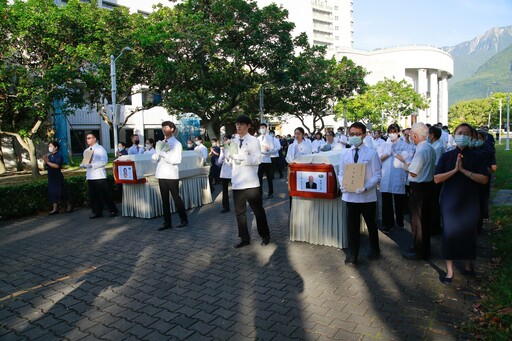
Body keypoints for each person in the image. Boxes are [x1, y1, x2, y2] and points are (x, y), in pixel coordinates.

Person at [434, 123, 489, 284]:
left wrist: (464, 170)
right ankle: (449, 271)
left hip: (470, 201)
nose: (462, 135)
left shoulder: (478, 157)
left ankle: (468, 264)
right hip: (450, 201)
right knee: (449, 233)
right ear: (454, 135)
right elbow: (437, 178)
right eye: (459, 132)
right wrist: (455, 170)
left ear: (471, 137)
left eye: (466, 133)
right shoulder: (447, 156)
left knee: (468, 232)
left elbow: (484, 179)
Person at [338, 122, 382, 265]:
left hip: (367, 197)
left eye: (357, 134)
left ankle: (375, 250)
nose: (354, 137)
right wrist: (342, 185)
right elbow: (341, 173)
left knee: (371, 224)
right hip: (350, 197)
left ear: (364, 135)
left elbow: (377, 175)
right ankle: (353, 255)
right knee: (352, 227)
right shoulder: (345, 153)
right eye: (352, 134)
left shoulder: (372, 153)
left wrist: (366, 187)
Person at [396, 123, 436, 260]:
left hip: (419, 189)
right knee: (424, 219)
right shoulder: (429, 147)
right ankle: (424, 248)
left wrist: (404, 162)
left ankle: (419, 250)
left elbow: (413, 172)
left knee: (417, 221)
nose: (410, 138)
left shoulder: (421, 149)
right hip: (428, 186)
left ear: (415, 135)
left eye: (411, 135)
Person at [230, 115, 270, 248]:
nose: (238, 126)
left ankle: (265, 235)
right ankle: (244, 238)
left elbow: (257, 160)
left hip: (250, 182)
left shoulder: (253, 141)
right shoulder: (233, 140)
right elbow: (231, 160)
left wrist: (241, 157)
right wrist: (228, 157)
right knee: (239, 212)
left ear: (248, 126)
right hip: (237, 182)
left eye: (241, 124)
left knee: (258, 210)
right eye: (237, 124)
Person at [154, 121, 188, 231]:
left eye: (166, 127)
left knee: (176, 198)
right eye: (162, 127)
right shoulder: (161, 142)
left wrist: (162, 154)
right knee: (164, 200)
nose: (164, 129)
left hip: (171, 175)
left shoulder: (176, 144)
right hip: (161, 173)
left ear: (172, 129)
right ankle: (167, 222)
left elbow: (176, 160)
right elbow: (159, 158)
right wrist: (156, 156)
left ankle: (184, 219)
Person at [80, 132, 119, 219]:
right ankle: (97, 212)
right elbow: (84, 161)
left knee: (105, 194)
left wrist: (93, 165)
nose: (88, 140)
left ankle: (113, 210)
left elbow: (104, 161)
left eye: (89, 138)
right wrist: (83, 164)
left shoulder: (100, 149)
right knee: (93, 195)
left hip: (99, 175)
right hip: (90, 176)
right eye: (87, 138)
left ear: (94, 139)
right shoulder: (86, 151)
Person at [377, 124, 408, 233]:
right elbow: (379, 159)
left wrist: (395, 153)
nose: (392, 134)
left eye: (394, 132)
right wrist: (388, 152)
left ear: (398, 132)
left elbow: (406, 159)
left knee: (399, 200)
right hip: (386, 175)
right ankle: (387, 224)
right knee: (386, 201)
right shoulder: (384, 145)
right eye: (390, 132)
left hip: (398, 175)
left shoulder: (404, 145)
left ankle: (400, 221)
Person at [42, 141, 72, 215]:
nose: (50, 148)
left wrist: (47, 162)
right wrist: (45, 161)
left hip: (57, 176)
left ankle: (69, 205)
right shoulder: (50, 156)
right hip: (51, 176)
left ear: (56, 147)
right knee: (52, 192)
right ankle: (55, 208)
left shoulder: (58, 156)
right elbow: (47, 165)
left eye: (51, 146)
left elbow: (56, 166)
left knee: (62, 191)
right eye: (49, 146)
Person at [429, 125, 445, 235]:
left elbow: (436, 164)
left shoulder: (438, 146)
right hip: (432, 176)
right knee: (432, 202)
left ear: (433, 135)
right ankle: (433, 225)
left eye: (429, 133)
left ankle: (435, 226)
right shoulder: (433, 145)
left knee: (434, 202)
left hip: (435, 177)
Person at [257, 123, 275, 199]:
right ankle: (259, 193)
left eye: (263, 127)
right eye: (261, 128)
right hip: (260, 160)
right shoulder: (257, 139)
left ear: (266, 128)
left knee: (269, 178)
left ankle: (270, 192)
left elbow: (273, 149)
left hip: (267, 160)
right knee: (259, 178)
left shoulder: (270, 138)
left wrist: (268, 150)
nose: (262, 129)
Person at [218, 136, 233, 213]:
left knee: (235, 190)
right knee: (224, 190)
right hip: (224, 172)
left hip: (231, 172)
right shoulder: (222, 149)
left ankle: (238, 206)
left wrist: (227, 158)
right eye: (223, 140)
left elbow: (231, 162)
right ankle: (225, 207)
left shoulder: (233, 149)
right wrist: (222, 154)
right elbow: (219, 161)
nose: (225, 142)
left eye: (226, 140)